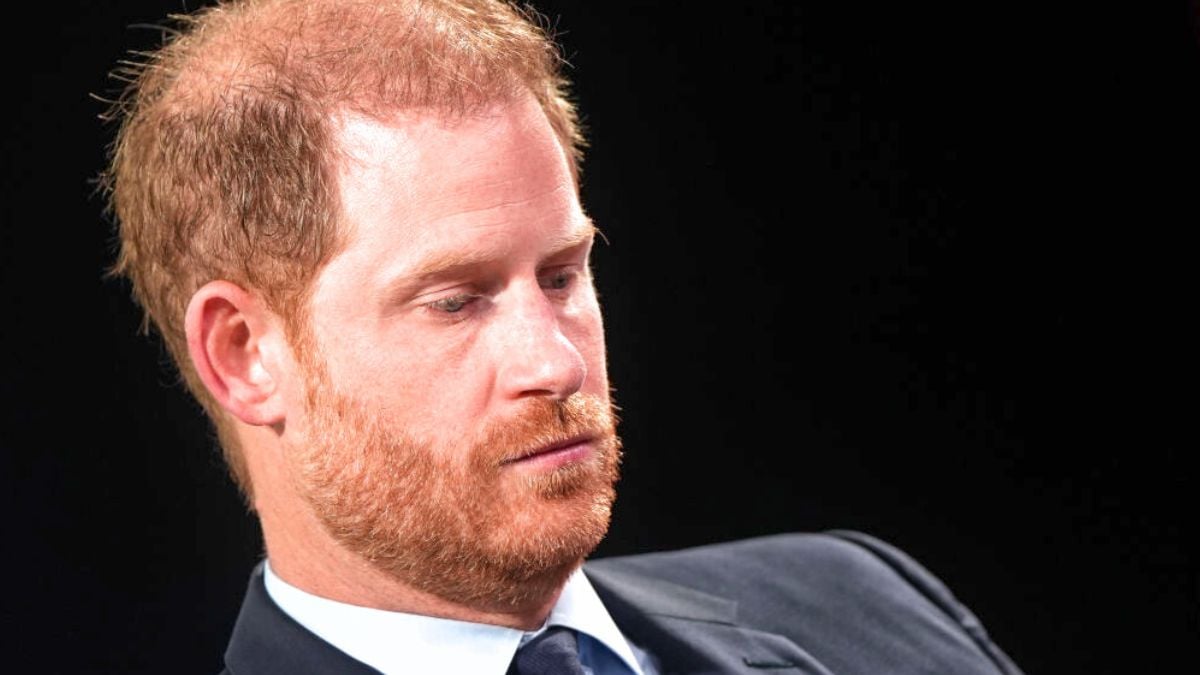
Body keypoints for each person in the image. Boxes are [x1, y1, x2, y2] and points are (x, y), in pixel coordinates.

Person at [101, 1, 1024, 673]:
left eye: (562, 275)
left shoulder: (857, 599)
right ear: (244, 355)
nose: (560, 362)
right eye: (454, 301)